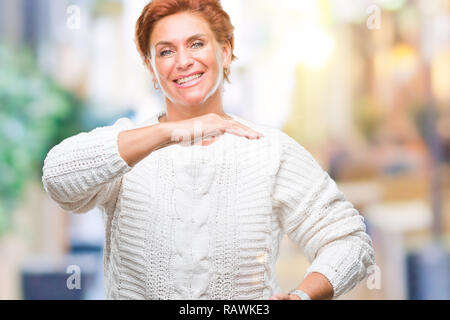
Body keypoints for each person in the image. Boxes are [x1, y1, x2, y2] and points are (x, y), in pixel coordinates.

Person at [42, 0, 375, 300]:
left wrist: (302, 296)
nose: (183, 61)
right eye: (166, 51)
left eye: (196, 44)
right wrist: (167, 133)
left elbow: (348, 241)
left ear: (225, 52)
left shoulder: (269, 151)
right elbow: (58, 179)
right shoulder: (130, 145)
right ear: (151, 68)